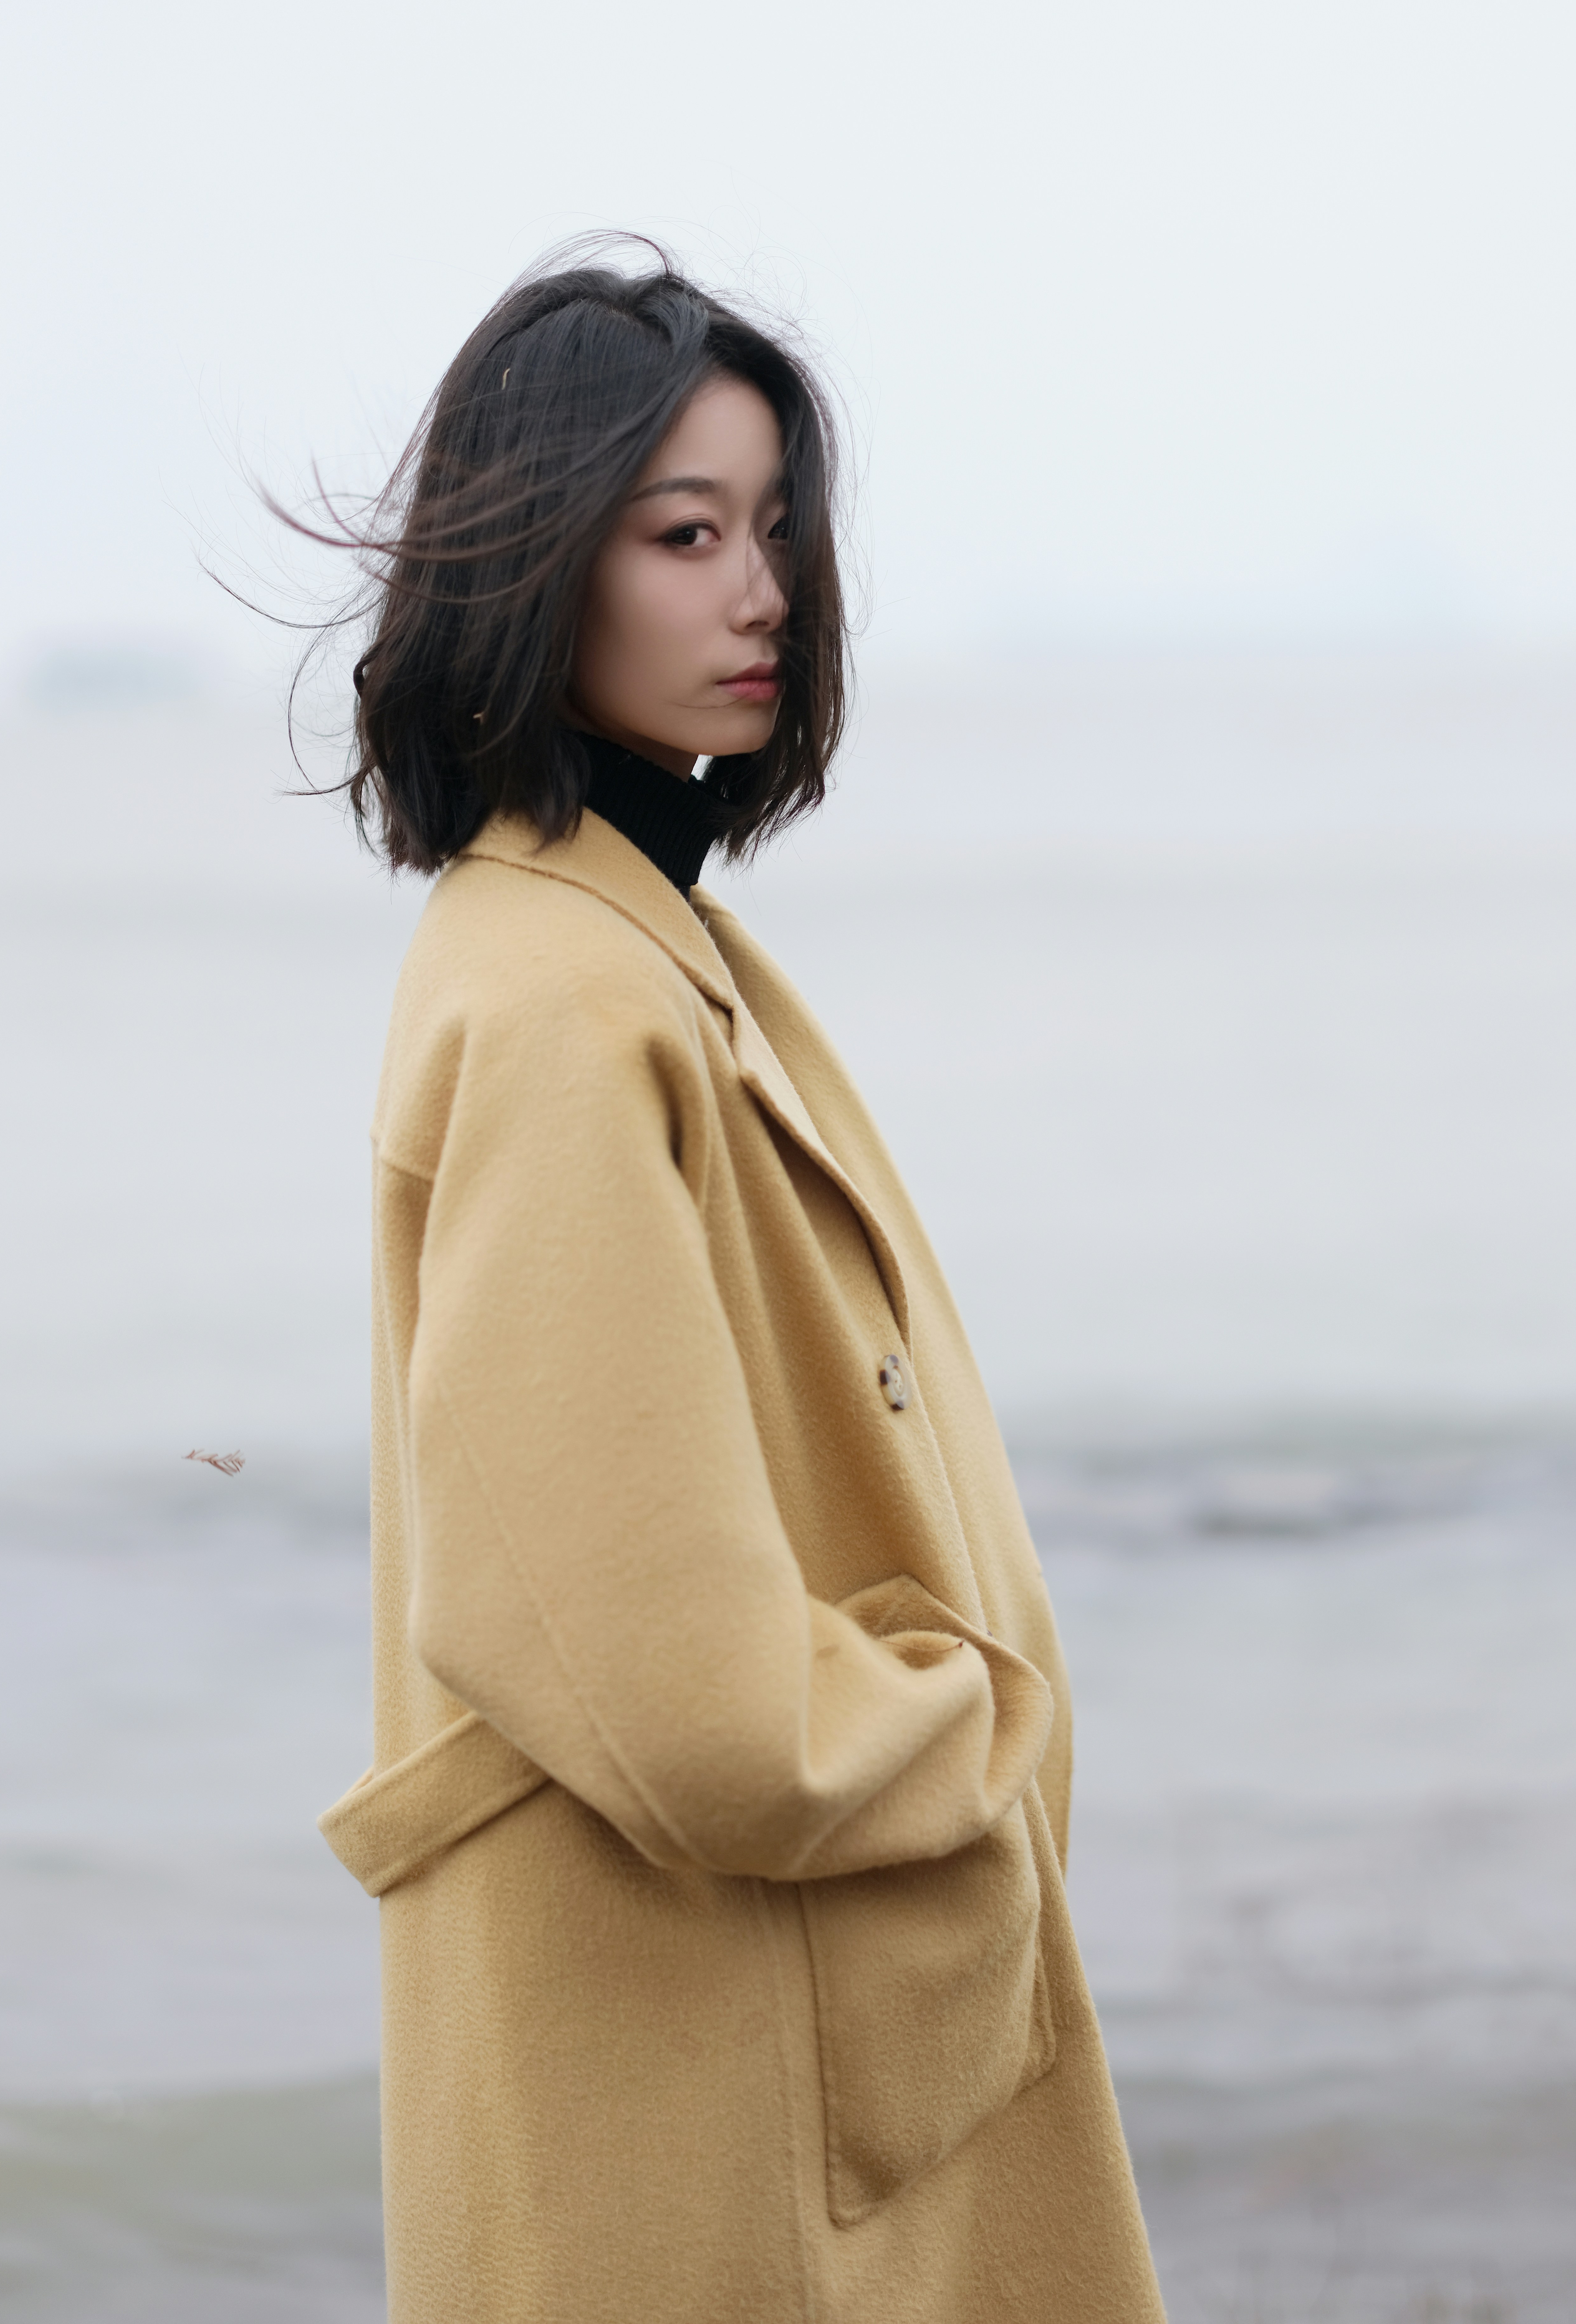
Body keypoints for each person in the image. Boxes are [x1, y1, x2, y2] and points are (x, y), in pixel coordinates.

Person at [312, 249, 1168, 2323]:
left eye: (773, 525)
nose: (760, 589)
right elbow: (643, 1660)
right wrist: (964, 1724)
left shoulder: (624, 945)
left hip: (754, 2009)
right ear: (532, 571)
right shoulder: (560, 1005)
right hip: (699, 2036)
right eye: (683, 533)